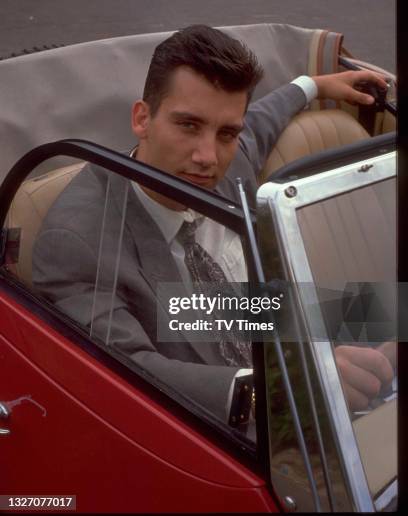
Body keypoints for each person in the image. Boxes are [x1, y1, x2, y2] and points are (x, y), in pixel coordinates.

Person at [32, 25, 394, 421]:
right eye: (188, 125)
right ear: (142, 119)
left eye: (226, 133)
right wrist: (287, 386)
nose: (207, 157)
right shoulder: (75, 239)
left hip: (258, 312)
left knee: (399, 315)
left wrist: (313, 84)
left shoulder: (231, 154)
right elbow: (127, 369)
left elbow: (260, 119)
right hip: (231, 422)